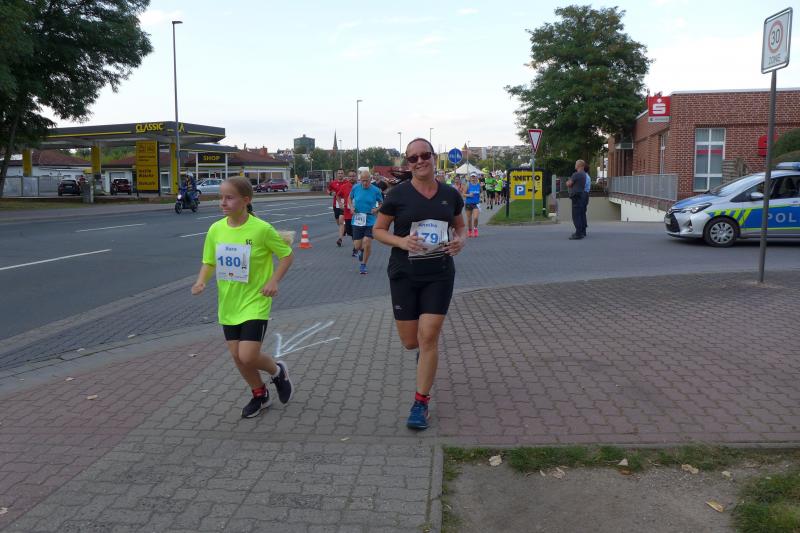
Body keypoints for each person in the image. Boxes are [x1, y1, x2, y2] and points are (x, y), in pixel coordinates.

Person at [373, 138, 466, 430]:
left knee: (429, 337)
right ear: (408, 163)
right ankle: (423, 358)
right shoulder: (397, 195)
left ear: (434, 157)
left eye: (424, 155)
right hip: (405, 274)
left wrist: (460, 241)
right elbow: (378, 230)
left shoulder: (450, 194)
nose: (419, 161)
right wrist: (401, 241)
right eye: (413, 158)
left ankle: (420, 402)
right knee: (411, 342)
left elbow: (460, 226)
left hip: (439, 273)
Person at [191, 177, 295, 418]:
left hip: (255, 300)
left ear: (246, 200)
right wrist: (201, 281)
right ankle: (260, 395)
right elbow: (209, 261)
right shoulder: (216, 229)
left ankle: (277, 371)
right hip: (229, 303)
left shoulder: (261, 229)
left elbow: (287, 256)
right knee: (237, 356)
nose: (222, 202)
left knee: (247, 355)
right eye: (221, 197)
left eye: (229, 198)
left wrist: (273, 281)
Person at [349, 167, 384, 274]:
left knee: (367, 242)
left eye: (366, 181)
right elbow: (349, 198)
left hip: (370, 220)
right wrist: (351, 207)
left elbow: (382, 203)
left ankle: (363, 265)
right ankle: (361, 250)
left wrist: (376, 209)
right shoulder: (355, 187)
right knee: (357, 245)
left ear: (370, 179)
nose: (364, 183)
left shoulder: (376, 190)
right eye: (362, 181)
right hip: (358, 219)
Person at [335, 170, 356, 252]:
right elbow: (338, 195)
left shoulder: (360, 186)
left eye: (353, 176)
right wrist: (340, 203)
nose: (351, 178)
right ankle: (357, 245)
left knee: (356, 231)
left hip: (358, 213)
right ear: (348, 177)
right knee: (349, 231)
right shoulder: (344, 186)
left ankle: (356, 247)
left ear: (356, 177)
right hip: (347, 213)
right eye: (350, 176)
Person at [566, 160, 588, 240]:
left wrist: (568, 182)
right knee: (580, 214)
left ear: (579, 165)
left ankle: (578, 234)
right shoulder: (584, 174)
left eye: (576, 164)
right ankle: (581, 232)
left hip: (576, 196)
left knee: (576, 215)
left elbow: (569, 183)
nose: (575, 165)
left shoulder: (576, 174)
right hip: (581, 195)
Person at [329, 169, 345, 245]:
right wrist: (330, 193)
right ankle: (343, 230)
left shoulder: (347, 182)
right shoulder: (333, 183)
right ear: (337, 174)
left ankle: (340, 239)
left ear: (343, 174)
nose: (340, 174)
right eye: (339, 173)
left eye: (341, 173)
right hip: (336, 204)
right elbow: (328, 190)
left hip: (344, 204)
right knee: (338, 221)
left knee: (341, 220)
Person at [464, 173, 481, 237]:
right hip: (468, 203)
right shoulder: (468, 185)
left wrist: (481, 197)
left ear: (476, 178)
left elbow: (481, 192)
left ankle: (475, 229)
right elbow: (463, 194)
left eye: (474, 177)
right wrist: (469, 195)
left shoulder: (479, 185)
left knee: (475, 218)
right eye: (472, 177)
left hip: (476, 204)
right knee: (469, 219)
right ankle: (470, 230)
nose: (473, 178)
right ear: (470, 178)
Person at [582, 162, 592, 236]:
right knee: (583, 212)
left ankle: (583, 229)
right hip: (586, 195)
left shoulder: (584, 177)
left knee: (581, 212)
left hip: (583, 194)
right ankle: (584, 229)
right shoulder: (588, 176)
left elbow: (582, 186)